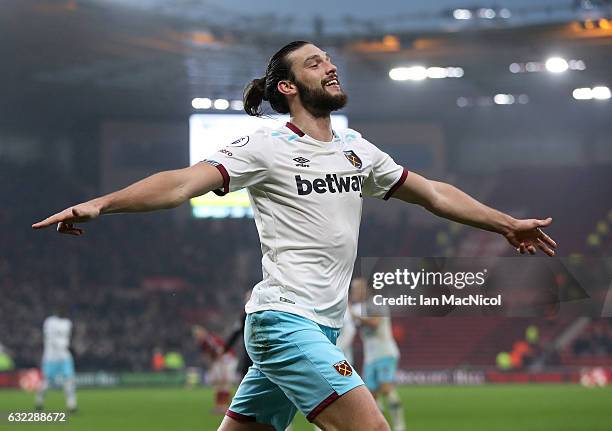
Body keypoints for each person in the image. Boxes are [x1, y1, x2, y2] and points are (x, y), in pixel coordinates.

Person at [32, 40, 557, 431]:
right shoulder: (265, 146)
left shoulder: (357, 149)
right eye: (314, 62)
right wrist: (101, 202)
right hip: (285, 320)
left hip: (322, 327)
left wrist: (506, 222)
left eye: (329, 59)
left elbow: (435, 193)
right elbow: (181, 183)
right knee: (371, 428)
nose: (330, 65)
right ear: (288, 87)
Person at [350, 278, 405, 431]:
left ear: (365, 289)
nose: (354, 292)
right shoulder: (359, 307)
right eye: (353, 289)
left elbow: (375, 323)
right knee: (371, 396)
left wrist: (354, 315)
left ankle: (400, 426)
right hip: (370, 357)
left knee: (386, 389)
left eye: (357, 289)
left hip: (385, 352)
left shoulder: (376, 302)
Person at [35, 310, 77, 412]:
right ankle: (39, 402)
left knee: (69, 380)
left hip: (63, 356)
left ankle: (71, 405)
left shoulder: (62, 322)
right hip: (51, 357)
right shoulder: (53, 322)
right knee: (46, 381)